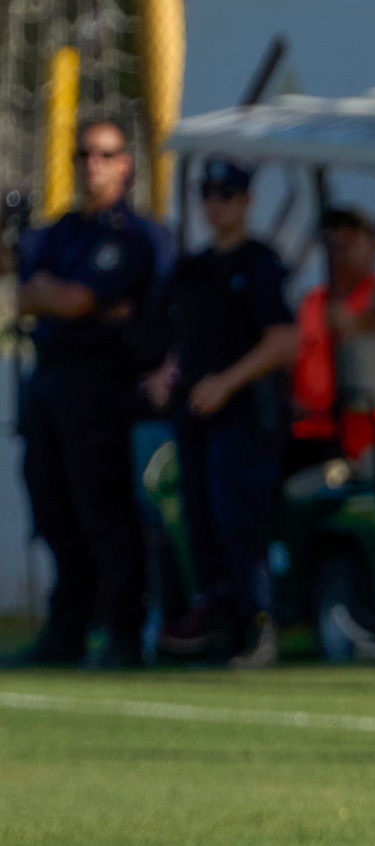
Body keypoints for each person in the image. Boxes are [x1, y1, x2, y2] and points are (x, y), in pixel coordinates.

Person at [10, 118, 163, 668]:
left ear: (126, 163)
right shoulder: (60, 231)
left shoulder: (135, 235)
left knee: (104, 509)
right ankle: (66, 628)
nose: (91, 165)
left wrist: (54, 295)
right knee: (52, 507)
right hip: (49, 376)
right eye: (82, 155)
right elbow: (22, 290)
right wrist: (56, 296)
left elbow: (75, 299)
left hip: (102, 382)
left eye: (104, 154)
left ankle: (122, 630)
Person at [149, 157, 299, 668]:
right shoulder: (191, 268)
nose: (217, 205)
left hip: (245, 415)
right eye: (209, 195)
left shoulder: (259, 263)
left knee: (239, 519)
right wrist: (167, 373)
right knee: (200, 520)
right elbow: (181, 338)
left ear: (247, 201)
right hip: (195, 412)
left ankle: (259, 623)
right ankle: (217, 623)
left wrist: (226, 383)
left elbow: (283, 341)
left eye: (227, 195)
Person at [289, 205, 375, 469]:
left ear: (372, 247)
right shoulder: (313, 300)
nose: (340, 250)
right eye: (333, 242)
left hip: (363, 435)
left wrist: (359, 323)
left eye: (349, 240)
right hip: (309, 430)